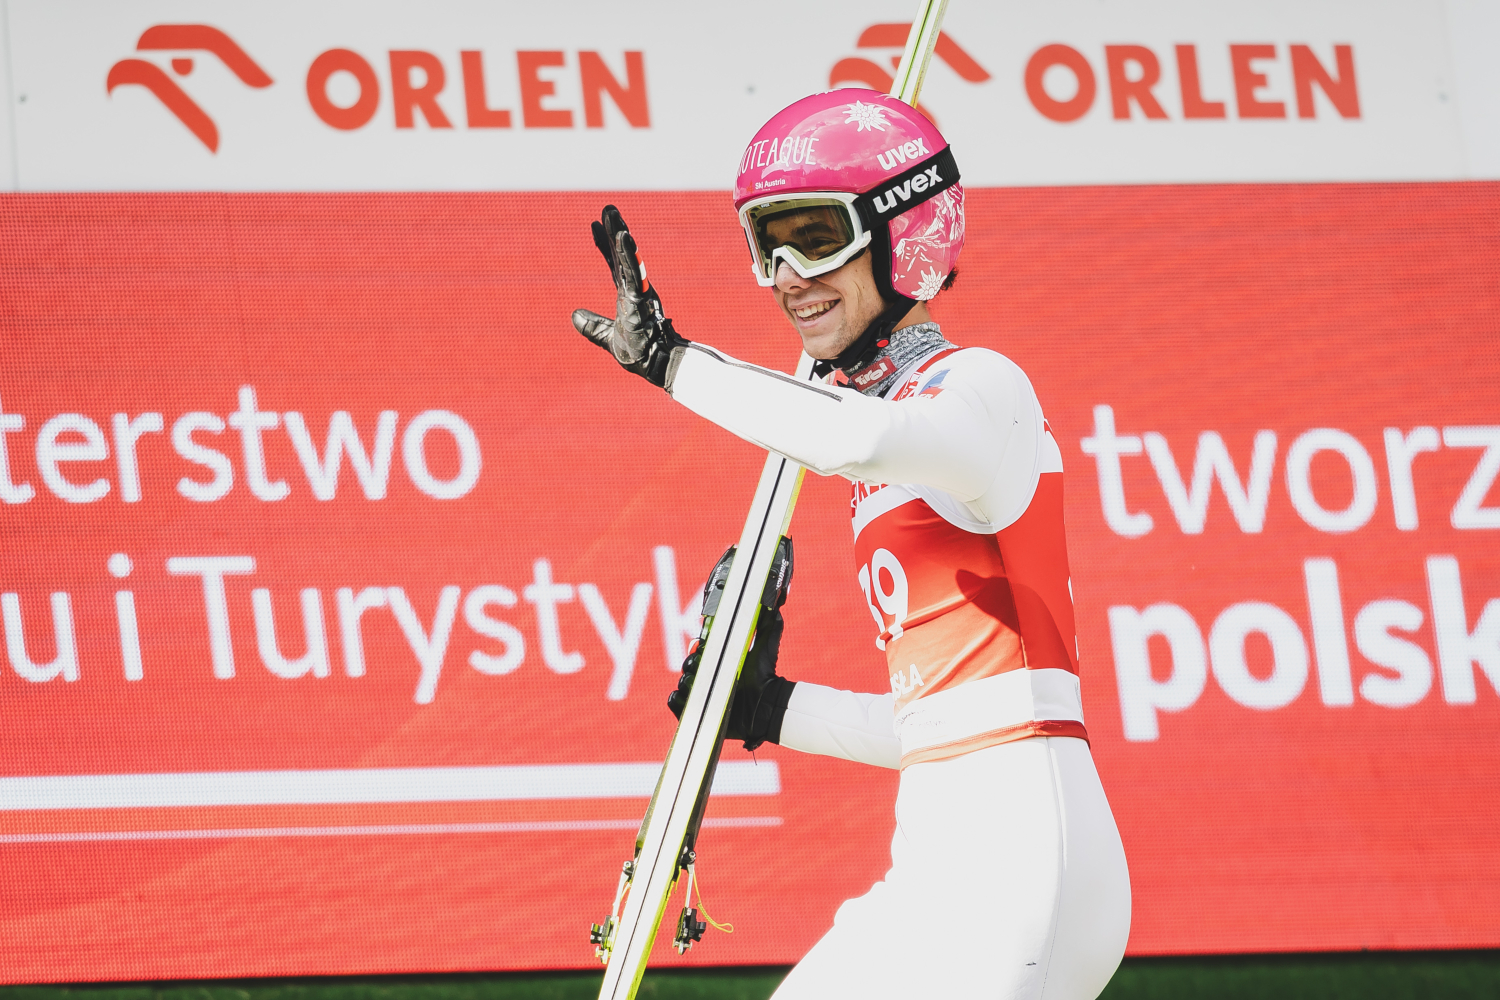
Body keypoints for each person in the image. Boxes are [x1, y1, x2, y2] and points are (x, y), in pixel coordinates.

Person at [571, 89, 1131, 1000]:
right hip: (941, 862)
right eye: (766, 243)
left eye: (817, 237)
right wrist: (775, 708)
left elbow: (852, 439)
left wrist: (672, 360)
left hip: (1027, 862)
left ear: (905, 232)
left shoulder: (983, 391)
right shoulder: (888, 441)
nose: (789, 274)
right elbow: (938, 728)